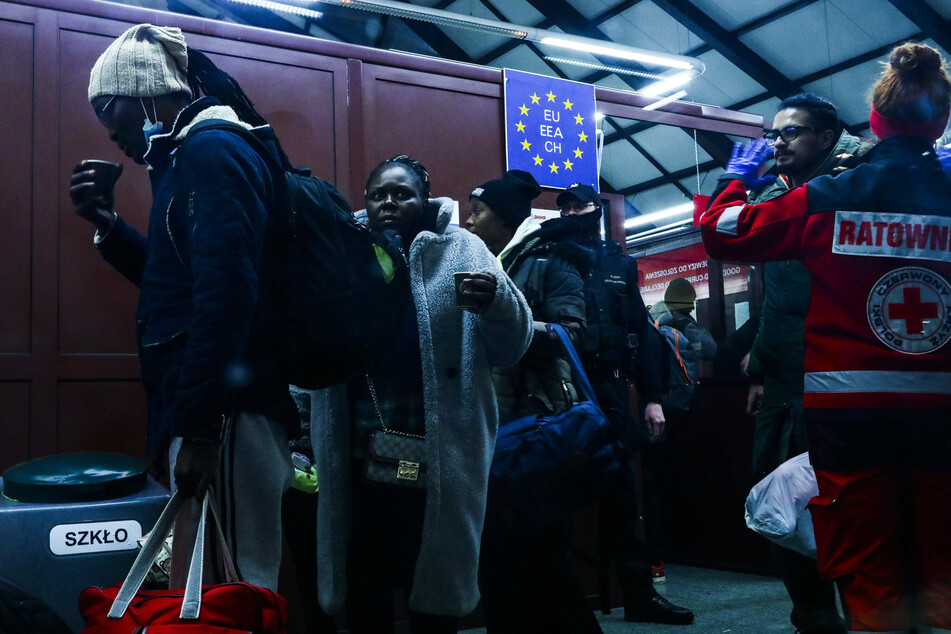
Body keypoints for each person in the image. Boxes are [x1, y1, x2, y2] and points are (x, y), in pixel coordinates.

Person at [700, 43, 951, 634]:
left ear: (873, 122)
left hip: (849, 412)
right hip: (941, 411)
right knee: (939, 547)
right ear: (938, 120)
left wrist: (738, 180)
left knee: (866, 555)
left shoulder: (826, 198)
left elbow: (722, 234)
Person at [69, 24, 297, 591]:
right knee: (212, 583)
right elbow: (179, 286)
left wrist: (199, 427)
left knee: (235, 590)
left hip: (228, 413)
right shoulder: (185, 161)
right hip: (212, 407)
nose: (108, 129)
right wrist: (108, 225)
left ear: (145, 92)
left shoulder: (214, 149)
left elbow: (227, 298)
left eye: (109, 108)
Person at [308, 156, 532, 634]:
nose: (389, 202)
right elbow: (313, 342)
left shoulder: (463, 248)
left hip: (441, 453)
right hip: (359, 448)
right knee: (365, 583)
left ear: (425, 198)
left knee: (433, 587)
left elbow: (513, 346)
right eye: (378, 194)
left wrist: (496, 304)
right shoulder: (347, 250)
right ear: (365, 202)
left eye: (403, 193)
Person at [746, 92, 867, 634]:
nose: (777, 142)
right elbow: (775, 295)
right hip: (784, 381)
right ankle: (813, 615)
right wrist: (760, 367)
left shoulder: (862, 179)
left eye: (790, 132)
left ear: (824, 136)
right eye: (774, 134)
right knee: (782, 505)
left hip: (844, 379)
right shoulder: (776, 192)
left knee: (847, 507)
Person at [465, 170, 601, 633]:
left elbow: (574, 334)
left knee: (540, 554)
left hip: (535, 421)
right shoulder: (492, 262)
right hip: (498, 423)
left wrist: (506, 317)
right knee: (507, 557)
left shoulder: (548, 261)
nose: (469, 220)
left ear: (504, 218)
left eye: (479, 211)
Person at [558, 183, 695, 625]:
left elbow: (643, 331)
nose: (577, 212)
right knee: (555, 495)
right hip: (562, 390)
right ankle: (561, 605)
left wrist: (653, 398)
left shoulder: (620, 263)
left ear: (597, 210)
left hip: (614, 391)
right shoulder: (549, 258)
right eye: (569, 207)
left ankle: (637, 596)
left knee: (621, 496)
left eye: (584, 205)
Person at [651, 278, 718, 362]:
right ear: (678, 301)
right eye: (690, 302)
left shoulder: (652, 321)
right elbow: (710, 350)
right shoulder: (684, 326)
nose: (692, 307)